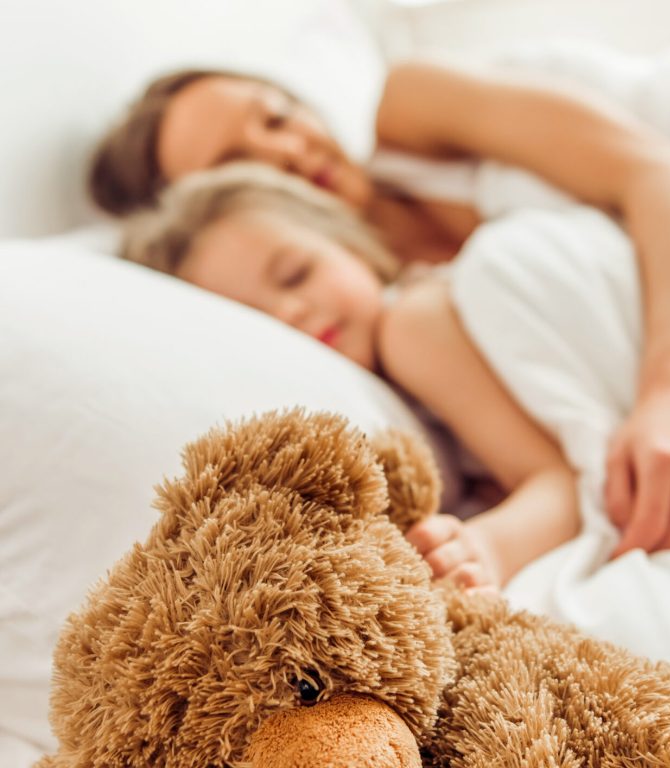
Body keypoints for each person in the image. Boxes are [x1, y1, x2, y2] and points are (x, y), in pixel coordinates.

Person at [93, 61, 670, 558]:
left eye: (277, 117)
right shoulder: (361, 329)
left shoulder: (411, 113)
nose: (287, 152)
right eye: (236, 162)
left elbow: (669, 177)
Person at [121, 161, 584, 591]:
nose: (289, 311)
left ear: (352, 243)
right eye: (259, 321)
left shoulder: (410, 325)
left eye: (296, 274)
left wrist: (486, 547)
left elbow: (562, 485)